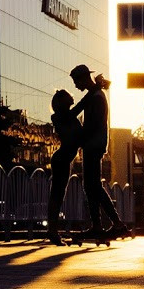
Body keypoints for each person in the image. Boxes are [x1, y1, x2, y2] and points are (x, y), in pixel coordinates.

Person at [70, 64, 129, 239]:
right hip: (94, 144)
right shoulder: (94, 95)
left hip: (93, 145)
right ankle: (103, 224)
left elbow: (92, 124)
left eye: (76, 81)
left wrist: (79, 137)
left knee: (92, 185)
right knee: (91, 185)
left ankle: (113, 224)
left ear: (82, 78)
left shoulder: (95, 97)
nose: (75, 86)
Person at [45, 88, 87, 245]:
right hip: (61, 159)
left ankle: (53, 230)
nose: (72, 97)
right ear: (62, 101)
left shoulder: (68, 117)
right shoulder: (61, 117)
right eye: (68, 96)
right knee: (56, 194)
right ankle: (52, 230)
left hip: (65, 159)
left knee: (59, 194)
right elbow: (74, 136)